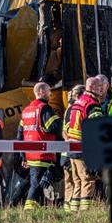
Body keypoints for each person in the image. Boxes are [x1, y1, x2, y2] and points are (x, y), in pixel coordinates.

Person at [17, 82, 63, 210]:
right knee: (37, 186)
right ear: (42, 92)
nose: (50, 94)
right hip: (43, 154)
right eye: (49, 91)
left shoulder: (26, 111)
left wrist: (23, 156)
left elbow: (19, 136)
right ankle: (30, 209)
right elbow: (55, 127)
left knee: (38, 183)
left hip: (30, 155)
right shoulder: (44, 108)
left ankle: (38, 208)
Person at [64, 77, 104, 211]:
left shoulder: (78, 102)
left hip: (72, 147)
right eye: (99, 87)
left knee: (77, 181)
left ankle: (74, 210)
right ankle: (86, 212)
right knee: (88, 180)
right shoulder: (92, 104)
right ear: (92, 87)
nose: (102, 89)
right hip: (83, 148)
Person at [61, 84, 85, 211]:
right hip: (74, 151)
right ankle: (75, 207)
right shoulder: (77, 109)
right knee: (78, 180)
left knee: (69, 181)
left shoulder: (68, 110)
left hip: (66, 152)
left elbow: (64, 132)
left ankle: (68, 208)